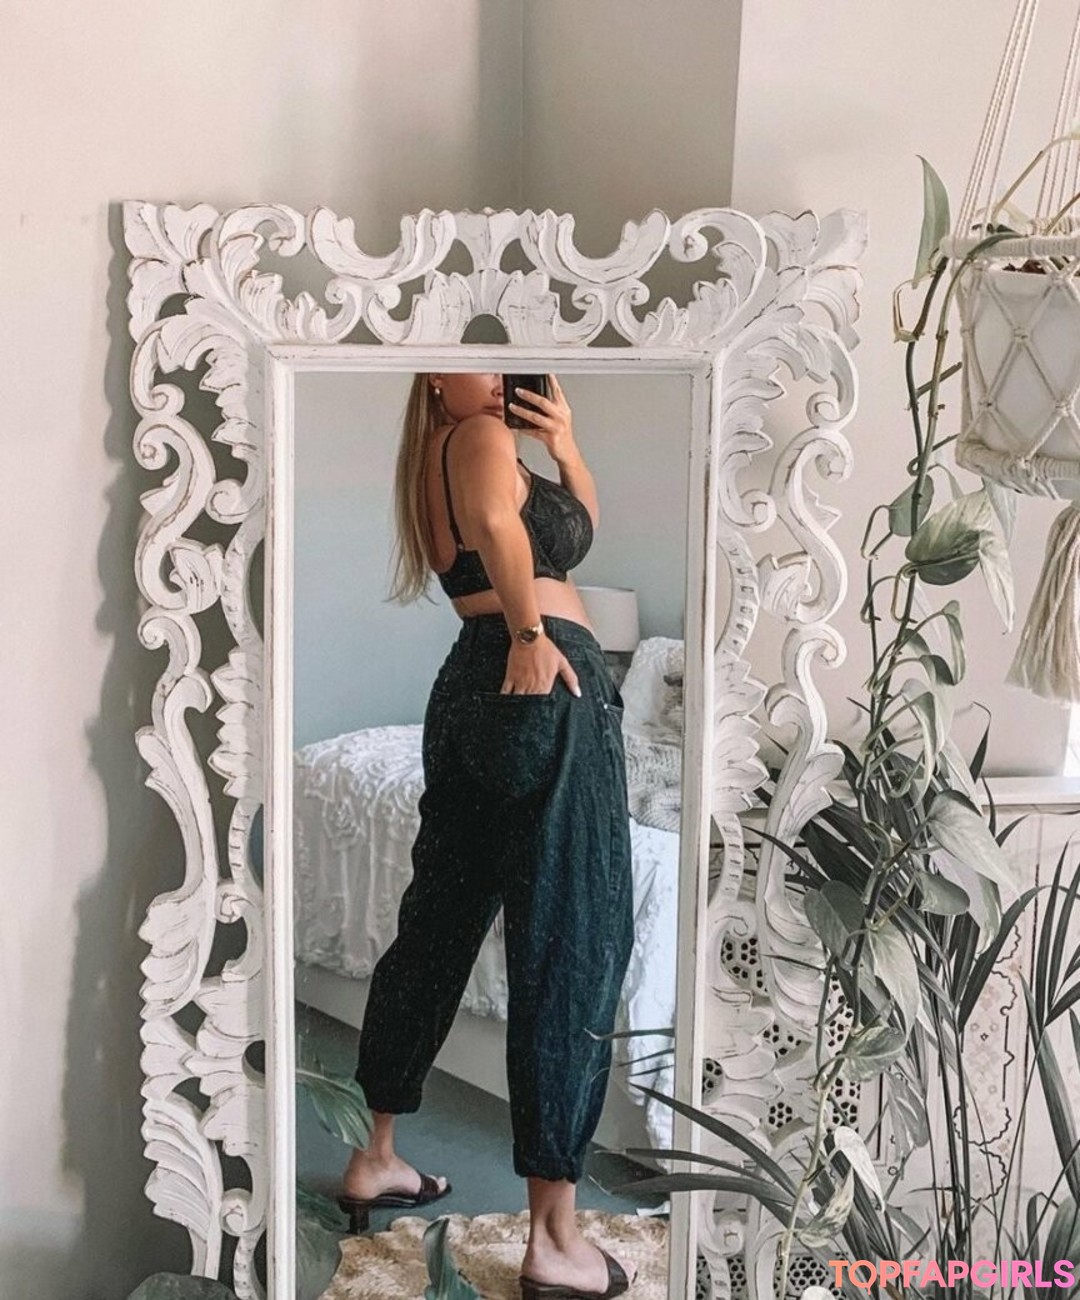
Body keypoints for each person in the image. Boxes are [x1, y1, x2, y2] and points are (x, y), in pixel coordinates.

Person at [339, 372, 635, 1300]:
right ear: (437, 372)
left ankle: (375, 1153)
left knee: (439, 918)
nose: (502, 374)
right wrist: (531, 635)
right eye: (477, 358)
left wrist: (567, 445)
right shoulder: (476, 436)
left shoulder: (440, 453)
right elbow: (509, 536)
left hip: (470, 683)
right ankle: (554, 1237)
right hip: (541, 675)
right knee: (573, 933)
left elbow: (565, 539)